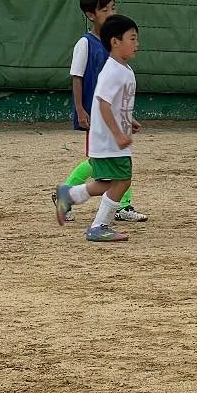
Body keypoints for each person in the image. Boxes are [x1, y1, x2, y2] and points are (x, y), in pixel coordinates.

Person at [54, 14, 142, 243]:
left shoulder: (124, 69)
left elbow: (115, 104)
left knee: (106, 183)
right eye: (132, 39)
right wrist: (117, 134)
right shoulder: (113, 70)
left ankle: (69, 194)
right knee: (122, 181)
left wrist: (128, 120)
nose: (137, 43)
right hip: (109, 141)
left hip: (110, 140)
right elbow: (103, 103)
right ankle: (99, 225)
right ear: (115, 41)